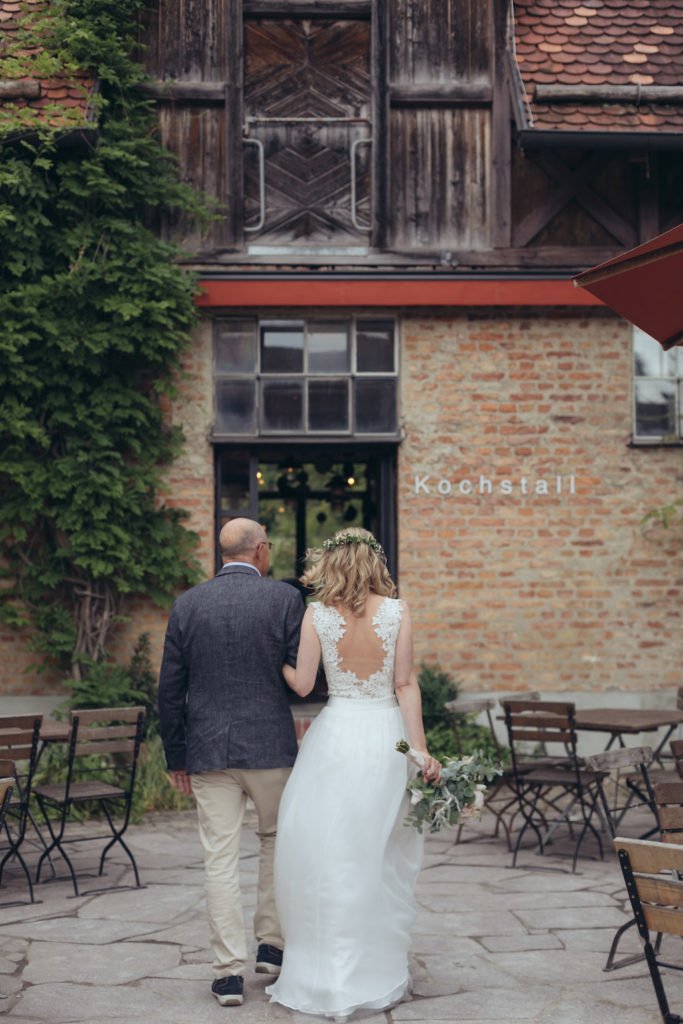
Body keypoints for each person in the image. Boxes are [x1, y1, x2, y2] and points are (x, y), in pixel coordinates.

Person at [266, 527, 440, 1022]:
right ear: (375, 564)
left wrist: (273, 662)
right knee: (378, 853)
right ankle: (372, 969)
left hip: (335, 738)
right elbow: (406, 684)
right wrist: (419, 751)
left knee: (326, 852)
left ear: (333, 564)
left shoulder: (317, 613)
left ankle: (324, 972)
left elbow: (302, 684)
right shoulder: (398, 611)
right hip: (387, 739)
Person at [157, 518, 305, 1008]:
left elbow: (169, 691)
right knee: (276, 842)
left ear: (223, 553)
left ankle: (226, 974)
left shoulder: (188, 604)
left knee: (218, 858)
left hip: (207, 749)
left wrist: (176, 755)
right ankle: (271, 946)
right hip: (269, 747)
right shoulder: (285, 599)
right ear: (260, 550)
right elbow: (299, 676)